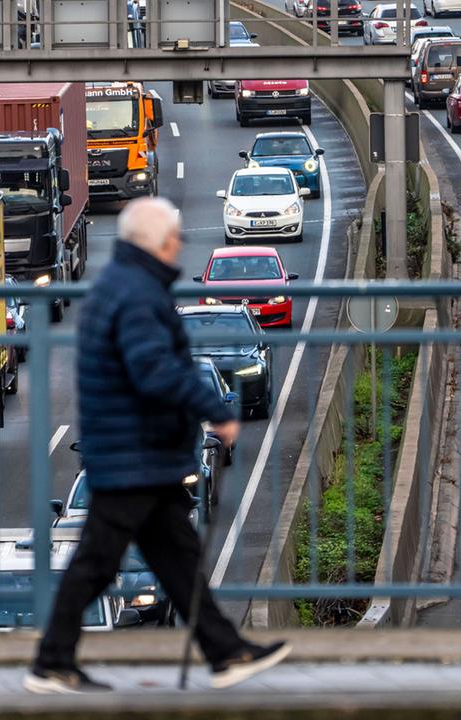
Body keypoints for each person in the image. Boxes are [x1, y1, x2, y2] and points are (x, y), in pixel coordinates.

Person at [24, 197, 291, 695]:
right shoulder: (136, 294)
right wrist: (214, 408)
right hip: (134, 452)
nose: (180, 246)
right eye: (175, 238)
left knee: (176, 558)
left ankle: (224, 651)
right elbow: (155, 369)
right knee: (100, 562)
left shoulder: (123, 285)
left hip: (135, 450)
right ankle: (52, 661)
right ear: (158, 242)